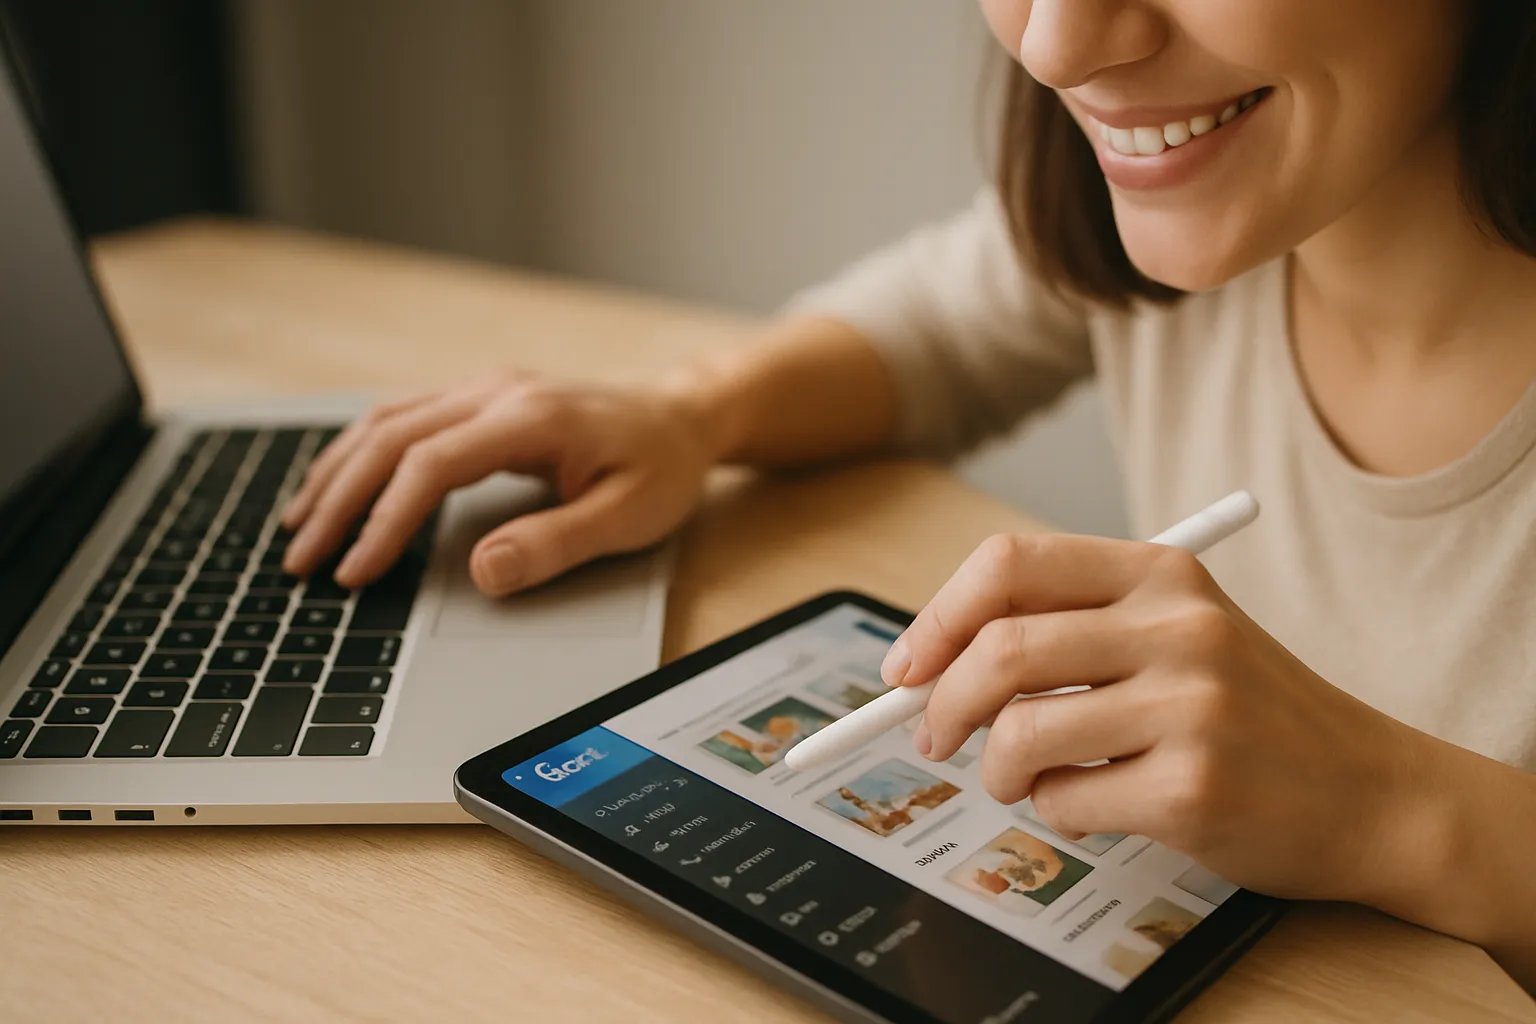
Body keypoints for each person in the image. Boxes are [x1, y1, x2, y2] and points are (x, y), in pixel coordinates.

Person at [281, 0, 1536, 987]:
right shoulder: (1203, 200)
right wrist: (692, 411)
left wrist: (1398, 811)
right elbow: (940, 322)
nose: (1059, 41)